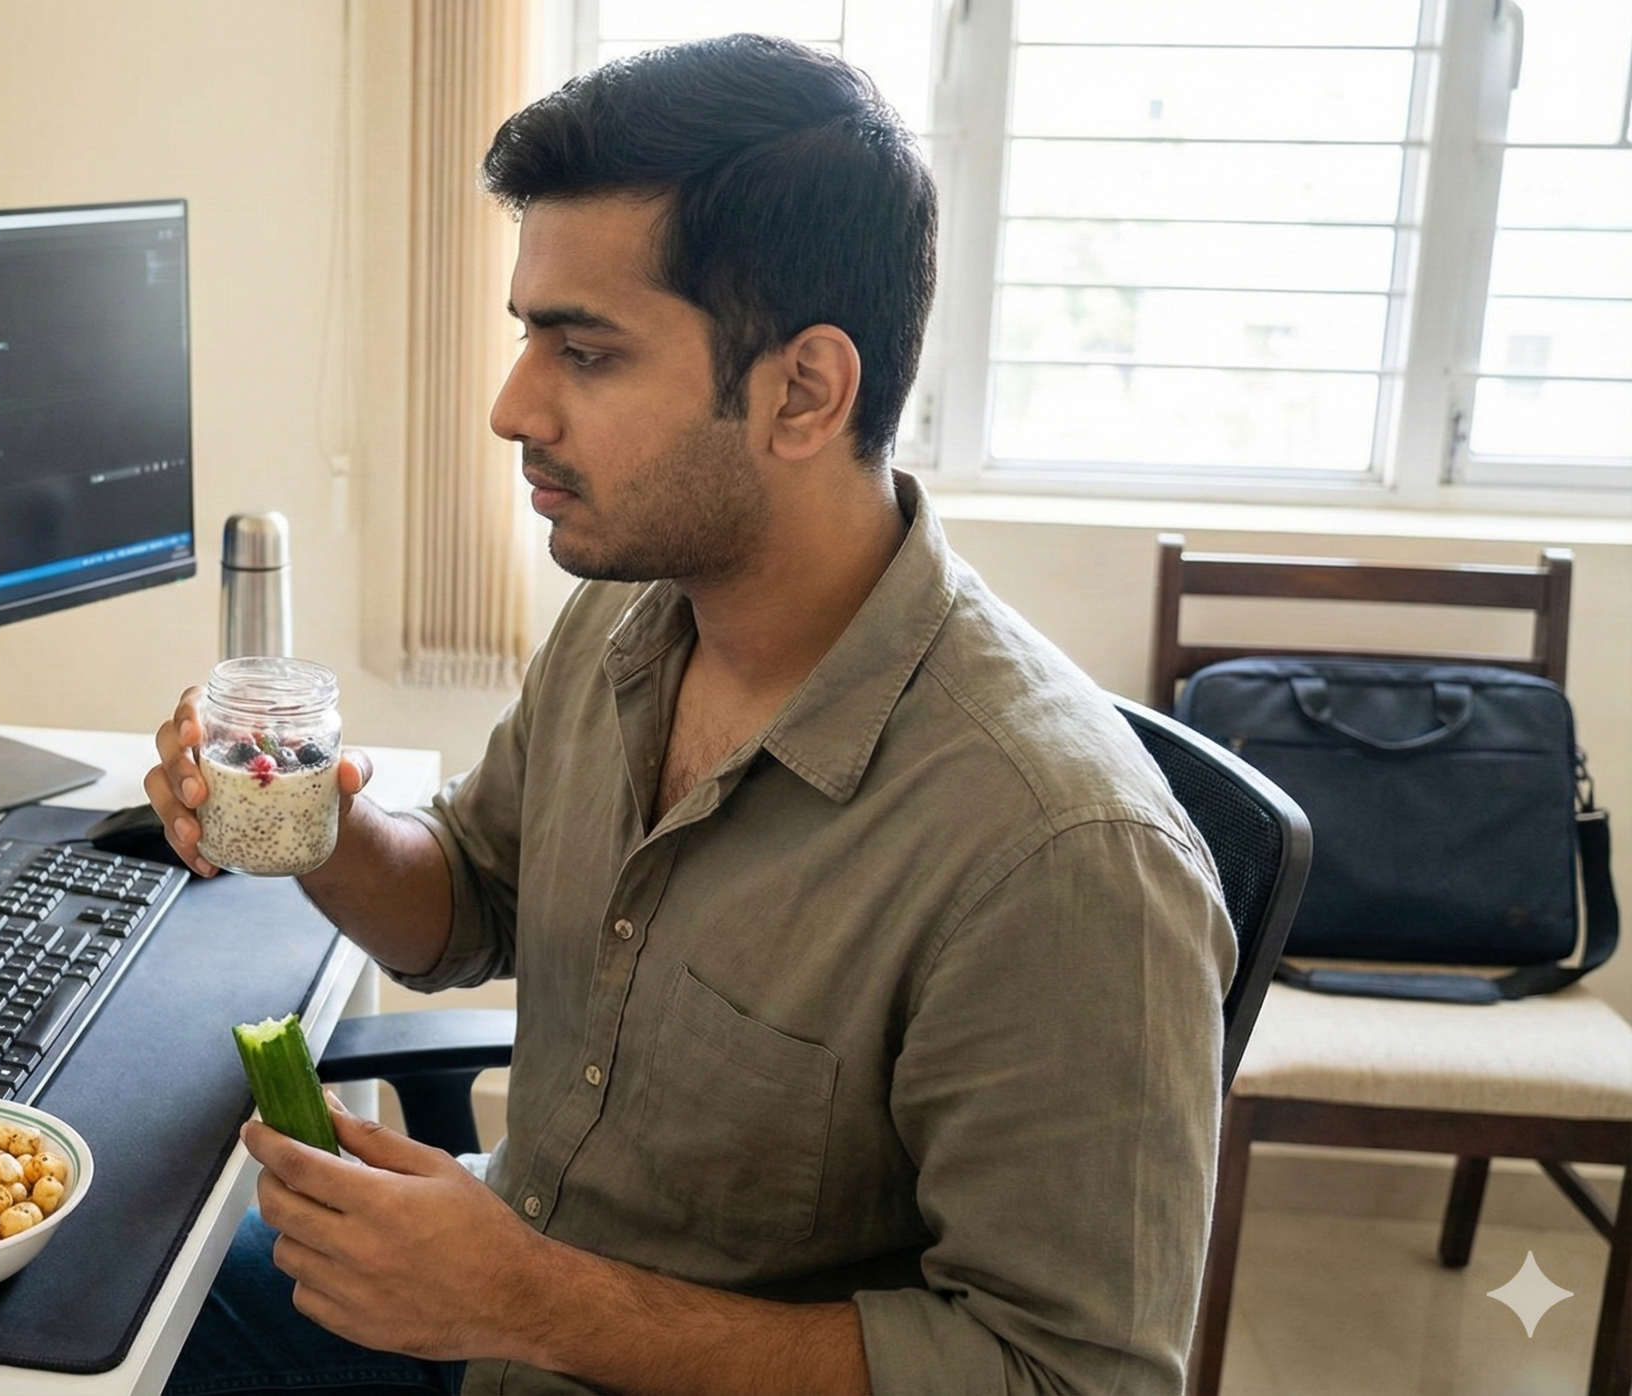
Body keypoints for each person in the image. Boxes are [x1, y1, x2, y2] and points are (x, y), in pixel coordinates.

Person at [155, 33, 1233, 1396]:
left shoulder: (1064, 857)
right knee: (96, 1304)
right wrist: (305, 821)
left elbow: (1067, 1380)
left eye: (586, 352)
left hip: (543, 1329)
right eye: (527, 336)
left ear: (803, 392)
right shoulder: (637, 607)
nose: (509, 407)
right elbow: (476, 897)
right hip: (498, 1308)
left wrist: (530, 1302)